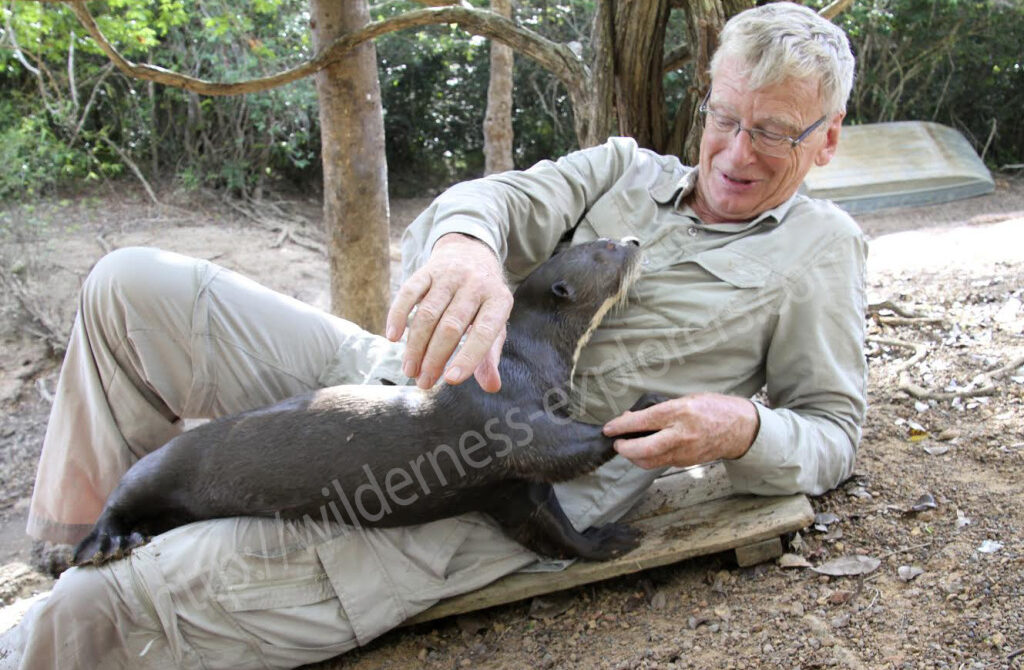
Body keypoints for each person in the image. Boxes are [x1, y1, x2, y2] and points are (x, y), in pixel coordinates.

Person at [0, 3, 865, 668]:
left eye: (774, 132)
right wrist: (463, 246)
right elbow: (489, 201)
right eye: (724, 117)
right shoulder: (626, 170)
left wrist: (743, 428)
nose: (734, 152)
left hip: (478, 485)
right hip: (394, 387)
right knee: (130, 288)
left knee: (101, 611)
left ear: (824, 142)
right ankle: (87, 529)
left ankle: (75, 600)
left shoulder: (819, 251)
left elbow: (832, 428)